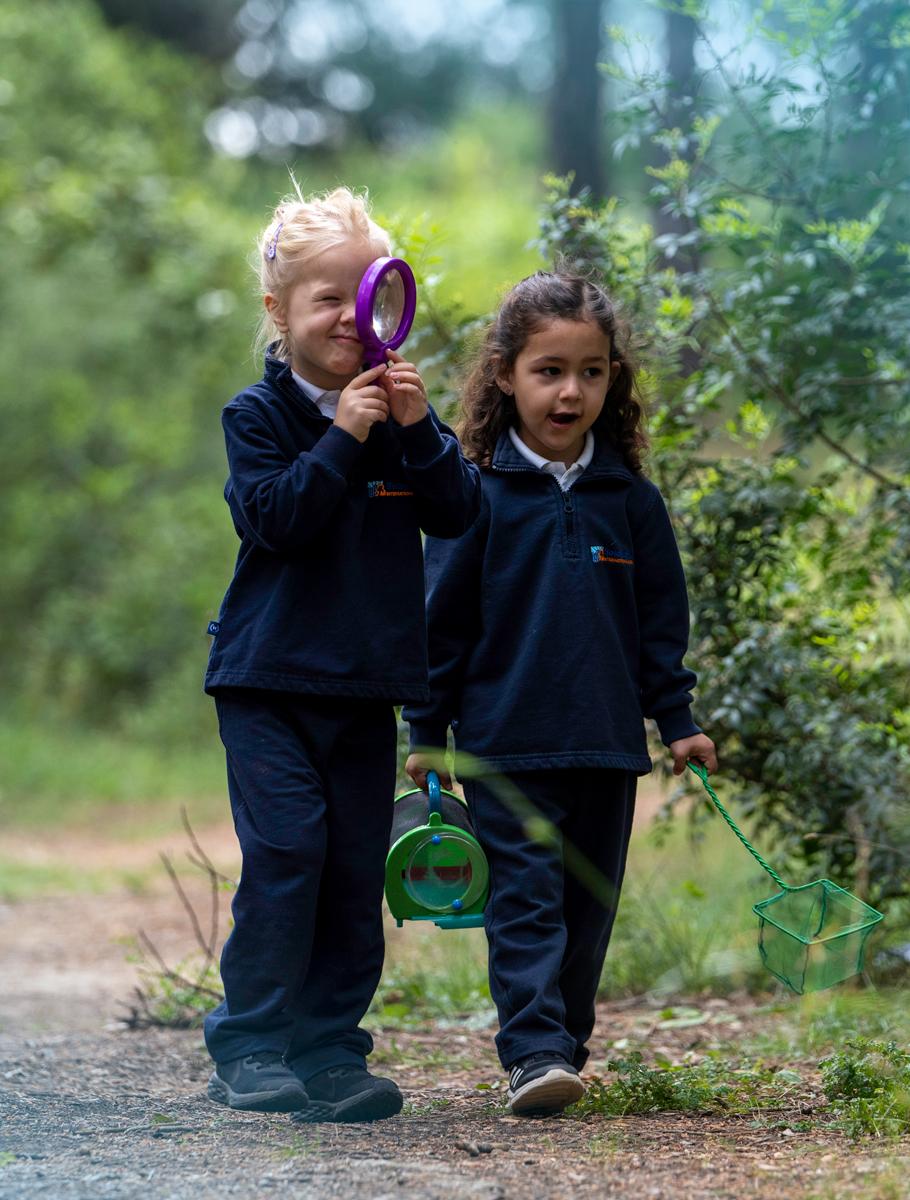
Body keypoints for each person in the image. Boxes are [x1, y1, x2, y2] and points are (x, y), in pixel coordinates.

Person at [403, 269, 717, 1117]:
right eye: (549, 370)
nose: (570, 390)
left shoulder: (632, 503)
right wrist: (426, 728)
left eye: (590, 370)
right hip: (504, 745)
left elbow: (660, 625)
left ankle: (562, 1048)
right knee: (526, 901)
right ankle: (533, 1047)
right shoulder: (474, 496)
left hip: (608, 744)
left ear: (613, 378)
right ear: (504, 374)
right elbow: (443, 624)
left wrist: (677, 719)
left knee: (588, 908)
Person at [202, 185, 481, 1122]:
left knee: (358, 869)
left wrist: (416, 431)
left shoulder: (401, 420)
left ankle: (329, 1050)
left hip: (366, 689)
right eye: (328, 298)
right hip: (266, 681)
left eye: (370, 293)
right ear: (279, 314)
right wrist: (344, 433)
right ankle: (249, 1044)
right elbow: (277, 521)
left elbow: (459, 516)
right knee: (289, 851)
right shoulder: (259, 416)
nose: (352, 315)